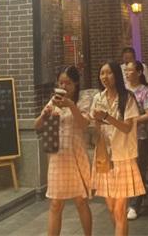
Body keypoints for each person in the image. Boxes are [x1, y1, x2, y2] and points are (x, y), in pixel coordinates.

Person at [34, 66, 92, 236]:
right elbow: (37, 126)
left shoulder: (83, 100)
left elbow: (84, 124)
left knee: (81, 201)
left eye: (68, 83)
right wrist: (44, 115)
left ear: (76, 83)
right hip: (57, 158)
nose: (64, 86)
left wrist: (71, 105)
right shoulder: (53, 101)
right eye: (61, 83)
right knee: (55, 204)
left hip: (76, 156)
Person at [91, 62, 144, 236]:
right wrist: (95, 123)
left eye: (109, 73)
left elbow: (127, 127)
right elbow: (95, 128)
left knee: (120, 210)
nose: (104, 77)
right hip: (105, 157)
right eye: (102, 73)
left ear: (116, 75)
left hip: (123, 157)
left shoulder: (127, 98)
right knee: (111, 209)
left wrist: (107, 117)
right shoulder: (98, 98)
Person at [124, 61, 148, 220]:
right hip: (123, 138)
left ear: (139, 72)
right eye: (126, 70)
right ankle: (138, 194)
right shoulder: (122, 90)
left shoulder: (144, 91)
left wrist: (132, 121)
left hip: (139, 137)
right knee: (127, 170)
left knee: (137, 170)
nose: (127, 73)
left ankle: (134, 205)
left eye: (130, 70)